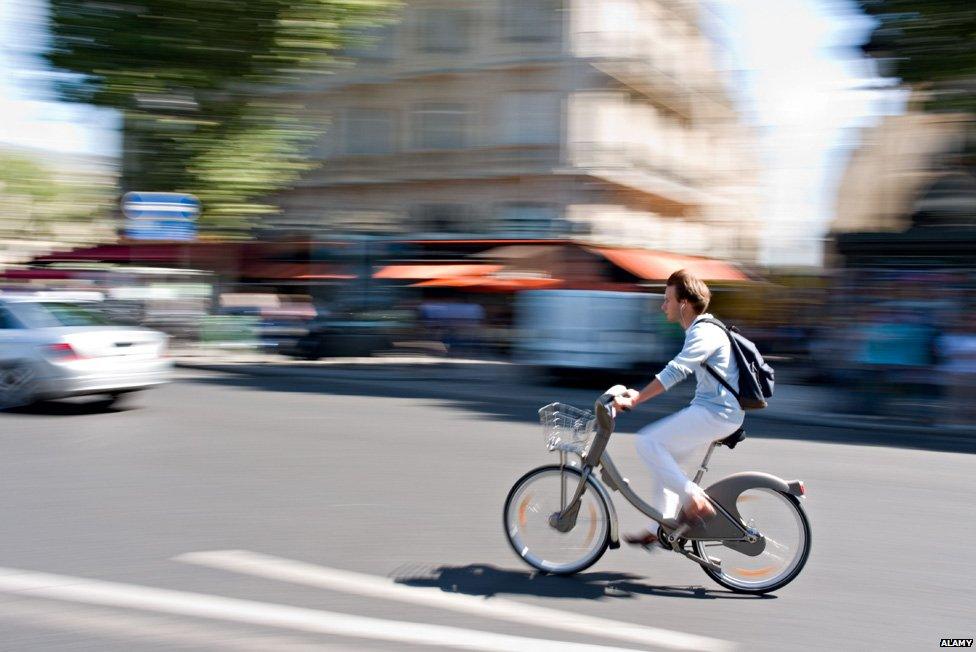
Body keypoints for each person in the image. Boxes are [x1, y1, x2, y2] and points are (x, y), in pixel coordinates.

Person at [612, 269, 745, 546]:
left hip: (717, 413)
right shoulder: (704, 329)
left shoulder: (704, 331)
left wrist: (637, 398)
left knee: (647, 441)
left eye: (667, 299)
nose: (663, 306)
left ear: (683, 303)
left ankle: (695, 500)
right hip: (716, 411)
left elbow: (677, 370)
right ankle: (659, 525)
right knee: (664, 461)